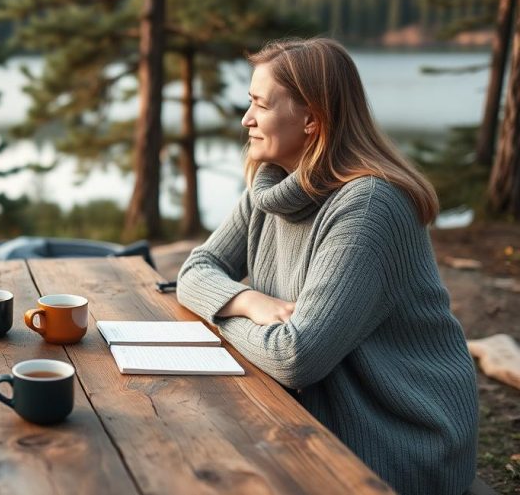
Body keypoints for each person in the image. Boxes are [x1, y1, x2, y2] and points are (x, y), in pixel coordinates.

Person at [175, 38, 478, 494]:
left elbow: (295, 357)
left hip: (398, 437)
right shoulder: (271, 186)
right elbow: (195, 270)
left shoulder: (369, 207)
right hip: (313, 413)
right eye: (248, 102)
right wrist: (247, 301)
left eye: (260, 104)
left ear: (312, 119)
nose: (246, 119)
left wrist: (217, 315)